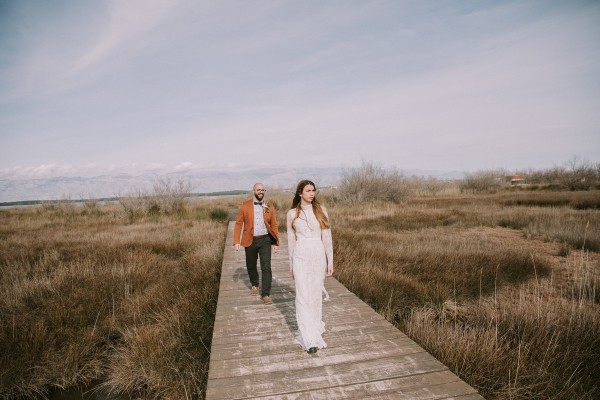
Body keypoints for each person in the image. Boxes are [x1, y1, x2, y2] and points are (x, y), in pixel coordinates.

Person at [286, 179, 334, 354]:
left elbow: (327, 238)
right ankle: (308, 338)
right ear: (300, 193)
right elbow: (291, 241)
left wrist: (330, 262)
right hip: (300, 256)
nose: (312, 193)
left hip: (317, 256)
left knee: (314, 296)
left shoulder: (322, 211)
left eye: (313, 190)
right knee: (302, 296)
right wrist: (291, 265)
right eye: (308, 190)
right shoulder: (292, 214)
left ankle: (314, 328)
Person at [234, 182, 280, 305]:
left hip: (265, 239)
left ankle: (265, 294)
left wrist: (276, 242)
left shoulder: (268, 206)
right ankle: (255, 284)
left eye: (263, 190)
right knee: (251, 265)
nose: (261, 191)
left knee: (266, 267)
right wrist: (236, 241)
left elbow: (274, 224)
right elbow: (238, 223)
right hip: (250, 239)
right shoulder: (245, 206)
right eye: (258, 189)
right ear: (253, 191)